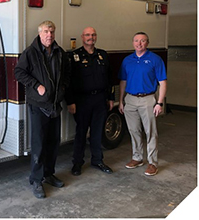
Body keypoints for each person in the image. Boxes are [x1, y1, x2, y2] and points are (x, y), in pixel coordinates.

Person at [15, 20, 71, 199]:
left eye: (52, 31)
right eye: (46, 31)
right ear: (40, 33)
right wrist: (36, 85)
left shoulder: (60, 53)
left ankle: (48, 174)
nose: (50, 35)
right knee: (38, 145)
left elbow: (67, 74)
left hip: (55, 104)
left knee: (53, 143)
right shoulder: (30, 53)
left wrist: (62, 89)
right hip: (38, 106)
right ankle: (36, 179)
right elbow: (19, 72)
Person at [66, 27, 114, 176]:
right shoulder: (74, 56)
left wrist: (111, 98)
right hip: (82, 101)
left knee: (97, 132)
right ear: (82, 37)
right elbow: (68, 81)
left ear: (96, 37)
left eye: (93, 34)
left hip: (100, 99)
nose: (90, 37)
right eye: (87, 35)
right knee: (81, 133)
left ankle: (97, 160)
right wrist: (70, 101)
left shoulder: (103, 55)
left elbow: (109, 78)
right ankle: (77, 163)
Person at [118, 32, 167, 176]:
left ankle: (152, 162)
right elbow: (123, 81)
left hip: (148, 99)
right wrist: (121, 101)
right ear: (132, 42)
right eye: (136, 41)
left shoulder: (155, 59)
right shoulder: (127, 60)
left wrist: (160, 103)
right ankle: (137, 157)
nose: (139, 44)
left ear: (147, 43)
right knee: (134, 131)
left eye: (143, 41)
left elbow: (162, 82)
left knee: (150, 132)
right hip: (130, 99)